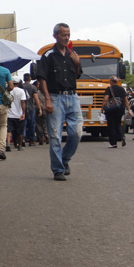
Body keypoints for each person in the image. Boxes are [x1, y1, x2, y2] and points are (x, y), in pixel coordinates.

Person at [36, 22, 83, 181]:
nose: (66, 38)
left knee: (76, 133)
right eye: (63, 35)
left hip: (72, 97)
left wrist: (77, 64)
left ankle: (65, 159)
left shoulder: (72, 55)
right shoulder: (48, 56)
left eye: (68, 35)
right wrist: (47, 100)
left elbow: (76, 76)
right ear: (56, 36)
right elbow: (42, 79)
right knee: (55, 135)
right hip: (55, 98)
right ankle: (58, 170)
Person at [102, 76, 132, 148]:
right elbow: (126, 101)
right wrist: (128, 110)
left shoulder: (109, 89)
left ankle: (113, 143)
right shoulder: (121, 89)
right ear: (117, 82)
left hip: (111, 109)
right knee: (118, 124)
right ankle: (122, 136)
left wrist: (102, 108)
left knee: (111, 126)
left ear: (111, 82)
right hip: (120, 109)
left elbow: (105, 99)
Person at [7, 76, 27, 151]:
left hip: (9, 114)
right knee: (20, 131)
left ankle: (8, 144)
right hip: (19, 114)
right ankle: (19, 145)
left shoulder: (8, 91)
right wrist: (24, 113)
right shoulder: (21, 91)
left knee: (8, 130)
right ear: (18, 83)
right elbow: (23, 102)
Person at [22, 73, 41, 146]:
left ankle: (22, 138)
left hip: (23, 107)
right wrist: (39, 108)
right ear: (30, 79)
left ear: (24, 79)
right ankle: (31, 140)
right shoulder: (33, 87)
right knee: (32, 124)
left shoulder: (21, 86)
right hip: (31, 108)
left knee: (23, 124)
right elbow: (36, 99)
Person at [35, 79, 49, 145]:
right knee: (45, 124)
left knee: (38, 125)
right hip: (46, 110)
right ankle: (46, 135)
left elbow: (34, 101)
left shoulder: (37, 93)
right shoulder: (47, 94)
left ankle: (40, 138)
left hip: (38, 110)